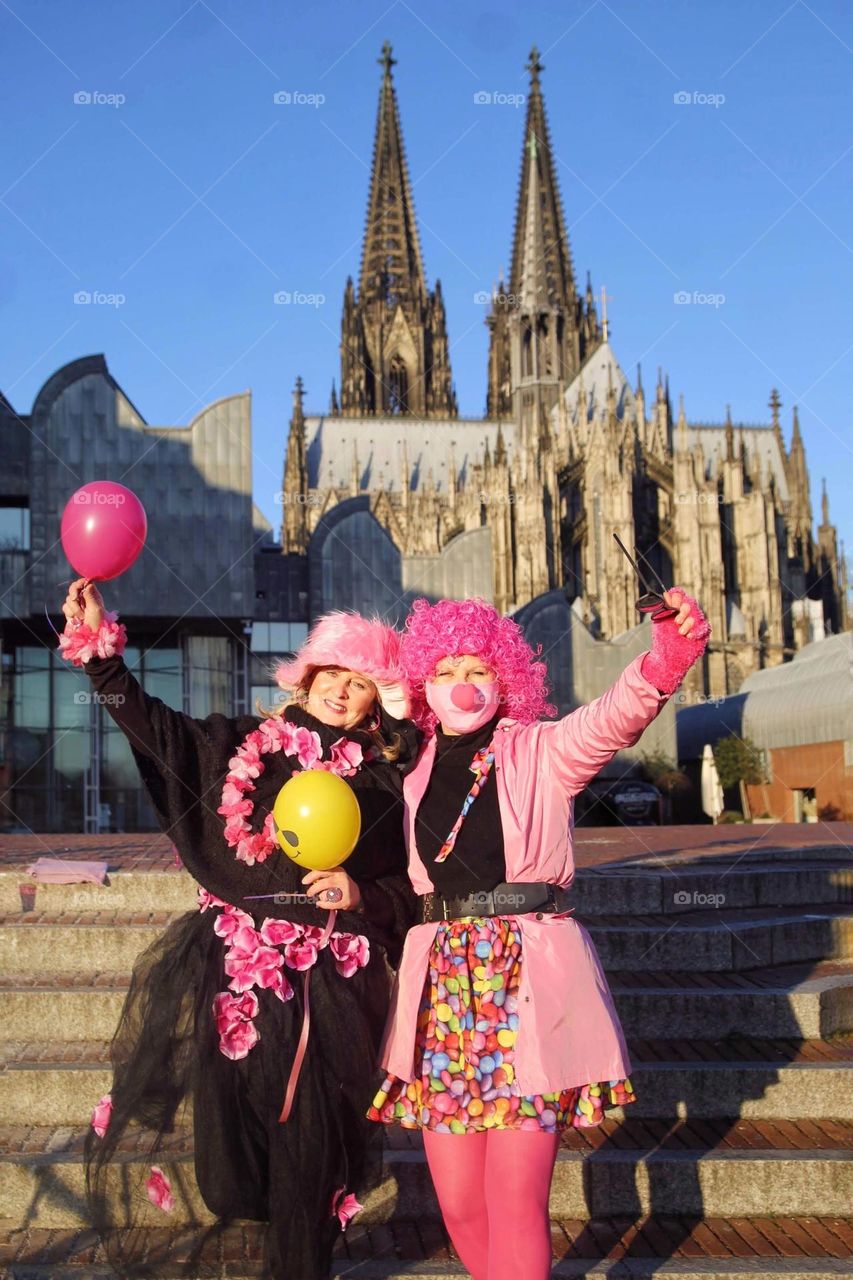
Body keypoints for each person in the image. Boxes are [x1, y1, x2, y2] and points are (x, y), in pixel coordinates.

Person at [58, 579, 420, 1280]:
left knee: (309, 1153)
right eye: (332, 677)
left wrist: (362, 895)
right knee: (230, 1172)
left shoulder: (381, 785)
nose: (341, 694)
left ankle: (303, 1257)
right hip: (237, 972)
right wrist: (101, 661)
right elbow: (156, 729)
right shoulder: (241, 747)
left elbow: (409, 886)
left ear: (375, 700)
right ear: (306, 675)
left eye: (360, 684)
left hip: (327, 988)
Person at [369, 588, 710, 1280]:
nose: (462, 686)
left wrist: (667, 658)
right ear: (422, 683)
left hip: (521, 983)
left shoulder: (541, 751)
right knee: (460, 1204)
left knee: (514, 1197)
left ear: (503, 677)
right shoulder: (407, 769)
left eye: (476, 669)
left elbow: (612, 719)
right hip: (443, 992)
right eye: (445, 671)